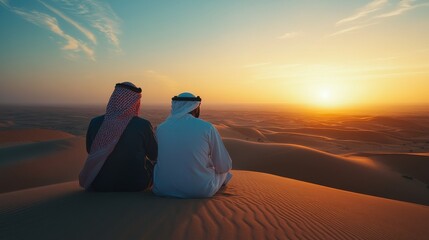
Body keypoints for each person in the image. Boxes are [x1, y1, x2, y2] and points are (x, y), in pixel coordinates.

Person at [79, 82, 157, 191]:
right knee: (155, 165)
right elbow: (154, 154)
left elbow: (90, 150)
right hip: (136, 185)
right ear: (135, 102)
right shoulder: (143, 125)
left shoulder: (95, 122)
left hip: (99, 184)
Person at [153, 92, 232, 198]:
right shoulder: (207, 127)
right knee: (225, 173)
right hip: (200, 190)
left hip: (162, 188)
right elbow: (223, 165)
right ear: (195, 108)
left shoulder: (161, 128)